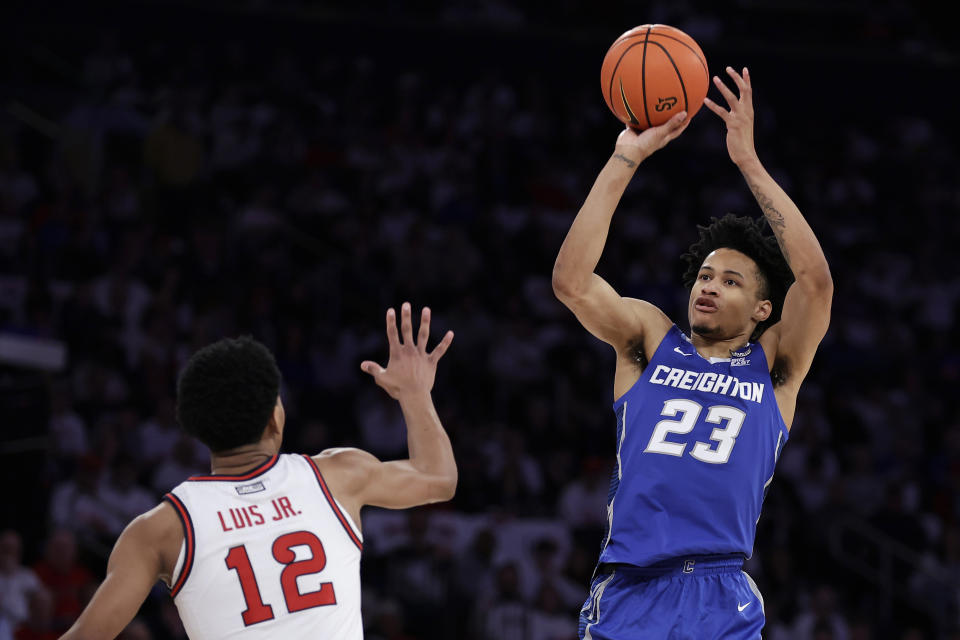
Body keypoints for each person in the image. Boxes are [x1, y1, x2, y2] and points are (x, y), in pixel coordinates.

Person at [552, 66, 832, 638]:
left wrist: (748, 163)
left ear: (762, 310)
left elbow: (816, 280)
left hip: (721, 592)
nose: (708, 286)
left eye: (730, 281)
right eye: (704, 275)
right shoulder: (650, 340)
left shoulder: (774, 366)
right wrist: (623, 159)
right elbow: (572, 283)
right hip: (632, 589)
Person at [59, 303, 456, 639]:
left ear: (198, 430)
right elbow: (438, 480)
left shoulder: (162, 527)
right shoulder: (338, 475)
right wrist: (416, 394)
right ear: (274, 419)